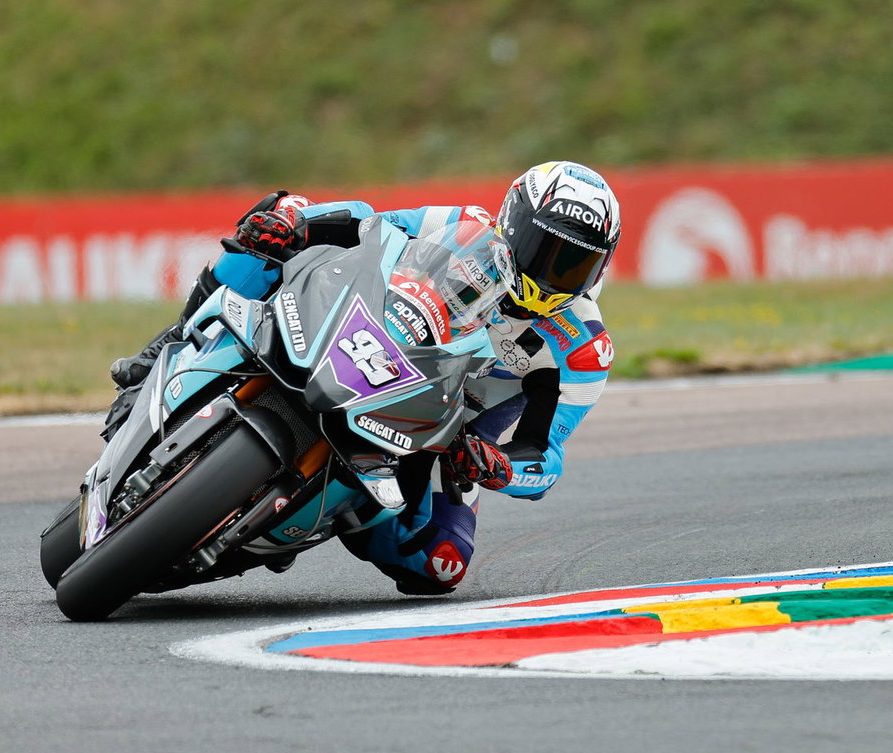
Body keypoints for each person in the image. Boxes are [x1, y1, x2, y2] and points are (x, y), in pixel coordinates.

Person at [104, 161, 622, 596]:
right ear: (512, 222)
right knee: (274, 217)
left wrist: (499, 466)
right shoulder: (464, 226)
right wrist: (298, 224)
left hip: (447, 437)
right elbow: (368, 223)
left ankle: (328, 510)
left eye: (575, 264)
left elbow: (545, 459)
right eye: (542, 248)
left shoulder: (583, 349)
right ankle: (161, 351)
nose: (551, 273)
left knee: (440, 565)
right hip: (368, 340)